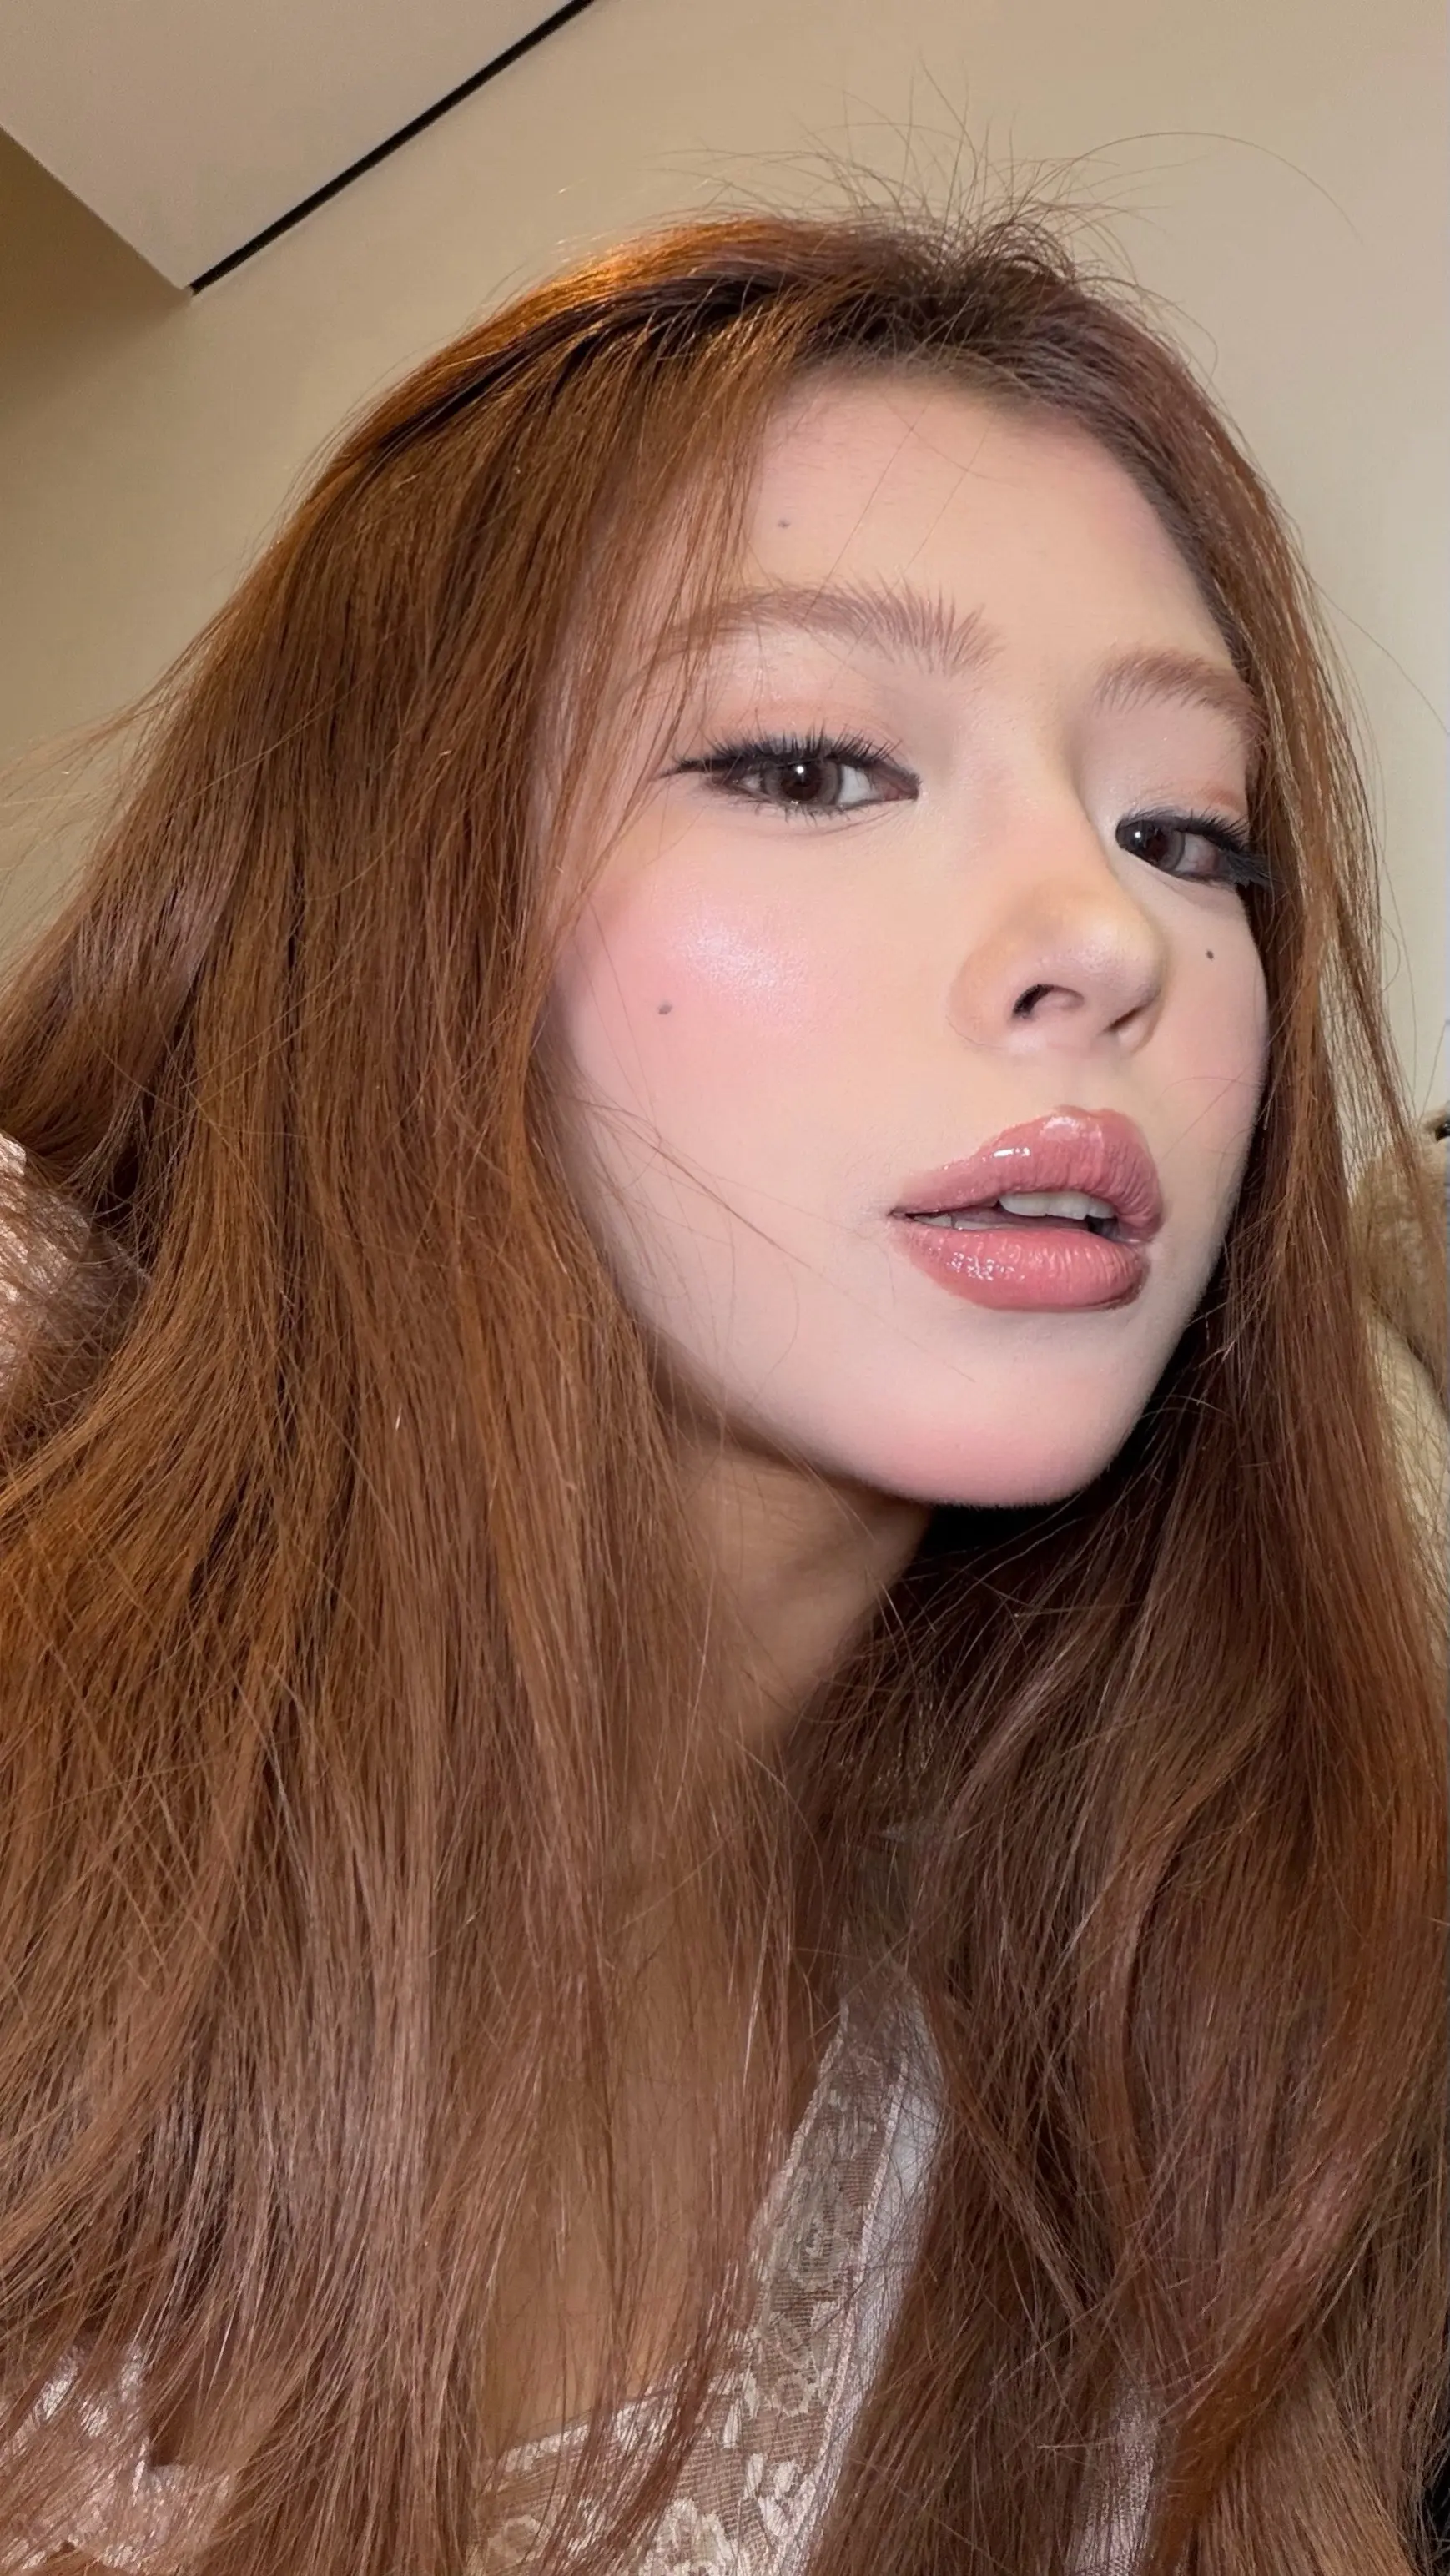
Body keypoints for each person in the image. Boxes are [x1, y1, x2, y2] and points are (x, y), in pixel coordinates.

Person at [0, 199, 1442, 2576]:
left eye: (1191, 834)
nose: (1110, 938)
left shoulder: (1141, 2015)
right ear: (389, 894)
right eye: (805, 765)